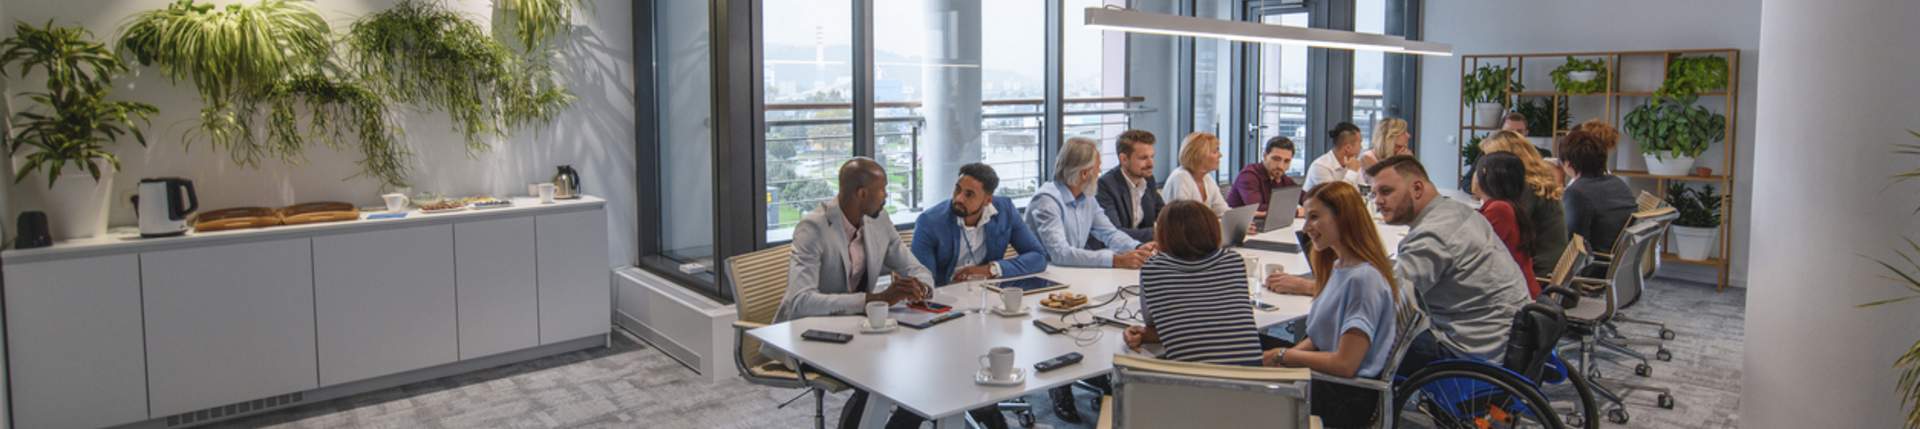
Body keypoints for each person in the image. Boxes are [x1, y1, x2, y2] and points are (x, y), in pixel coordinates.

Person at [1271, 156, 1528, 371]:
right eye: (1373, 193)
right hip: (1503, 334)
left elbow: (1385, 300)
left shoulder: (1432, 236)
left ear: (1417, 188)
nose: (1378, 201)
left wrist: (1311, 289)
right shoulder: (1457, 213)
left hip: (1469, 348)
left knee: (1352, 328)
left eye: (1386, 191)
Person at [774, 158, 940, 429]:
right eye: (883, 189)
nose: (887, 195)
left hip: (861, 331)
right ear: (862, 193)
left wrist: (920, 287)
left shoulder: (879, 221)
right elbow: (800, 302)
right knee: (880, 374)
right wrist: (872, 300)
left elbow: (915, 267)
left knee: (925, 367)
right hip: (811, 333)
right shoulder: (813, 228)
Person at [1028, 137, 1157, 422]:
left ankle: (1094, 370)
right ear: (1084, 172)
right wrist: (1115, 259)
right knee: (1065, 326)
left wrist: (1134, 250)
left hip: (1075, 275)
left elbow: (1109, 233)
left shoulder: (1086, 197)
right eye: (1097, 167)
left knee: (1104, 313)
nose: (1100, 172)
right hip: (1045, 280)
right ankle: (1058, 387)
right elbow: (1058, 253)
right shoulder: (1047, 200)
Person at [1261, 181, 1399, 427]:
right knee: (1250, 346)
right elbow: (1319, 337)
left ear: (1343, 218)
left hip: (1343, 396)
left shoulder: (1363, 280)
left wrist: (1284, 356)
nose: (1306, 227)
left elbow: (1346, 364)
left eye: (1314, 217)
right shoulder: (1341, 267)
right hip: (1331, 381)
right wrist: (1282, 359)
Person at [1123, 200, 1265, 366]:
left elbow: (1153, 324)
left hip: (1194, 383)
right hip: (1253, 379)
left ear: (1162, 234)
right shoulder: (1232, 260)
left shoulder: (1154, 268)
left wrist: (1145, 333)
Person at [912, 163, 1049, 286]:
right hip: (945, 298)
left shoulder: (1004, 211)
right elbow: (922, 280)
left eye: (969, 194)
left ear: (987, 200)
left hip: (988, 295)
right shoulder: (929, 222)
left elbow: (1038, 257)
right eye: (957, 189)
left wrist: (990, 269)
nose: (959, 198)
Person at [1479, 131, 1570, 280]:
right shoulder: (1538, 182)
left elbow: (1499, 234)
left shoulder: (1526, 188)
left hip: (1538, 273)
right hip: (1549, 266)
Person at [1557, 126, 1637, 256]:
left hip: (1592, 266)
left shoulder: (1577, 193)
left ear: (1568, 164)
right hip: (1615, 261)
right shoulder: (1618, 183)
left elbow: (1570, 243)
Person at [1473, 152, 1541, 297]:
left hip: (1511, 299)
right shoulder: (1507, 206)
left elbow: (1472, 253)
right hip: (1514, 291)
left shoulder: (1499, 210)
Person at [1095, 129, 1166, 245]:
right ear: (1124, 159)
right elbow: (1114, 233)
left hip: (1144, 248)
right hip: (1116, 253)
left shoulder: (1148, 179)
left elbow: (1164, 215)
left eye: (1152, 156)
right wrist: (1157, 233)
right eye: (1143, 158)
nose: (1151, 164)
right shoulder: (1105, 186)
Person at [1227, 136, 1303, 219]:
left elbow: (1304, 197)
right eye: (1276, 159)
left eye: (1286, 161)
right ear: (1265, 156)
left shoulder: (1281, 177)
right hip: (1241, 228)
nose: (1281, 166)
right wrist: (1296, 212)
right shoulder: (1248, 176)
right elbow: (1258, 208)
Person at [1162, 132, 1231, 216]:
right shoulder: (1181, 177)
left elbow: (1222, 210)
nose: (1220, 155)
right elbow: (1185, 218)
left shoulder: (1207, 178)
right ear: (1200, 156)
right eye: (1215, 151)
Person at [1303, 122, 1366, 191]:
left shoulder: (1353, 163)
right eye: (1360, 142)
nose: (1361, 147)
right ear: (1348, 147)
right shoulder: (1320, 166)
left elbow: (1363, 192)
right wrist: (1352, 172)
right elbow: (1337, 198)